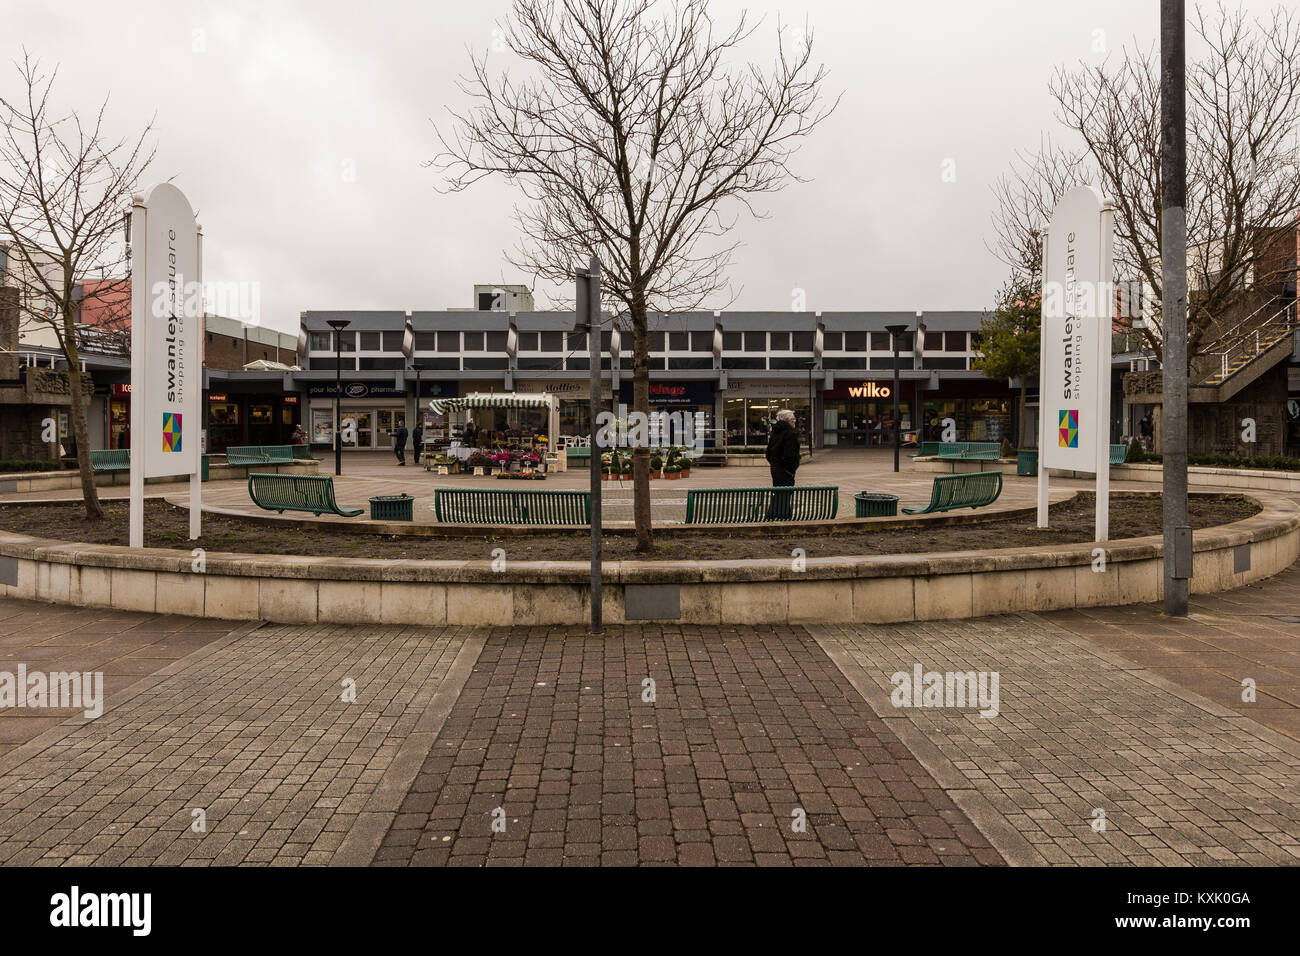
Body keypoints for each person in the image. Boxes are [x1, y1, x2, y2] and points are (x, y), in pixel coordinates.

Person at [765, 409, 801, 519]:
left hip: (775, 469)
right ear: (787, 421)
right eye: (793, 420)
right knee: (785, 494)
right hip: (785, 471)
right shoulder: (790, 434)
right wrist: (793, 467)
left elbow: (768, 453)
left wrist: (774, 464)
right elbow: (790, 455)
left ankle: (774, 515)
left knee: (779, 494)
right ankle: (781, 516)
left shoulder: (775, 432)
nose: (795, 422)